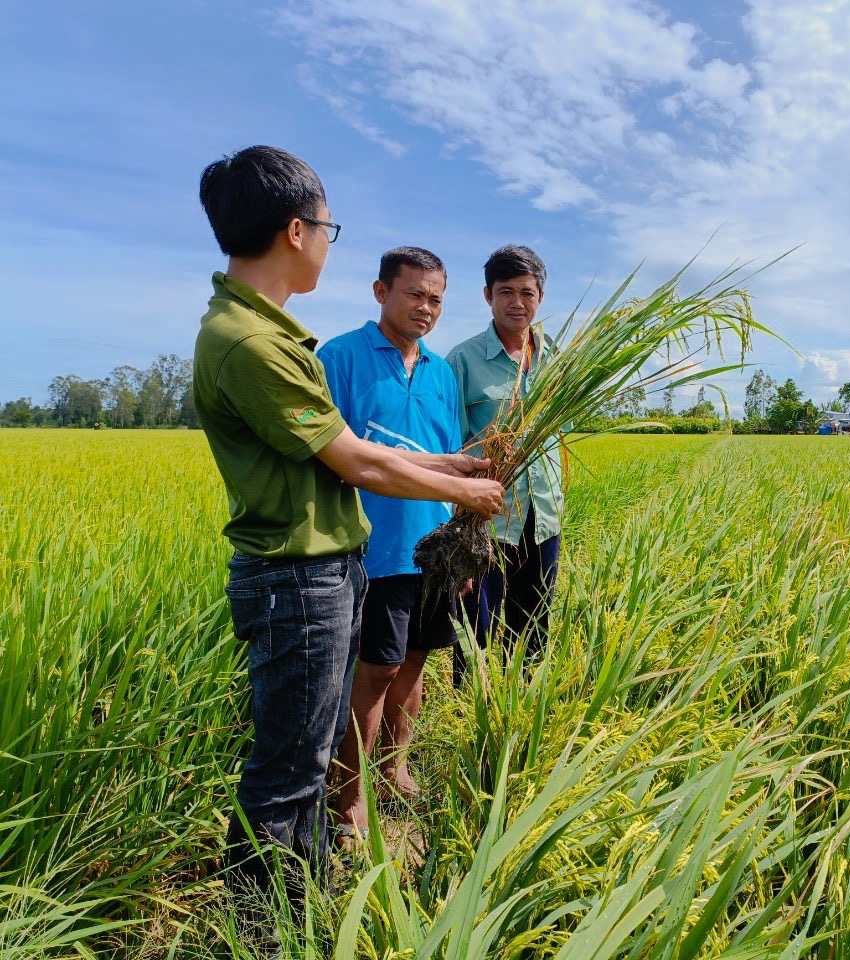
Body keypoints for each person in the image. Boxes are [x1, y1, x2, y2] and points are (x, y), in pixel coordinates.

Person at [192, 146, 504, 908]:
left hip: (324, 569)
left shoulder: (262, 330)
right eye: (329, 225)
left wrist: (452, 472)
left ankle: (299, 893)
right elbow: (356, 463)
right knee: (289, 767)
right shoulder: (254, 342)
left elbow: (362, 450)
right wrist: (468, 489)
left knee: (308, 750)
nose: (330, 239)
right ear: (297, 230)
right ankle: (266, 922)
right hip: (297, 576)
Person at [317, 246, 462, 842]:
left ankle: (393, 769)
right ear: (381, 292)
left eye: (435, 298)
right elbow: (335, 454)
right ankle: (349, 796)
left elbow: (451, 461)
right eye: (414, 295)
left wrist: (461, 547)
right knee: (375, 671)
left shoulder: (440, 372)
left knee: (416, 664)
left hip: (433, 549)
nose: (425, 308)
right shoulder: (341, 358)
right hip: (372, 549)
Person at [447, 245, 563, 678]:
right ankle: (468, 710)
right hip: (487, 518)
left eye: (527, 292)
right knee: (476, 628)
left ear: (540, 297)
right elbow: (451, 445)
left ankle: (525, 701)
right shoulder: (462, 359)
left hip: (544, 514)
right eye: (506, 291)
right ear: (487, 296)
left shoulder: (554, 358)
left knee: (534, 624)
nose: (517, 302)